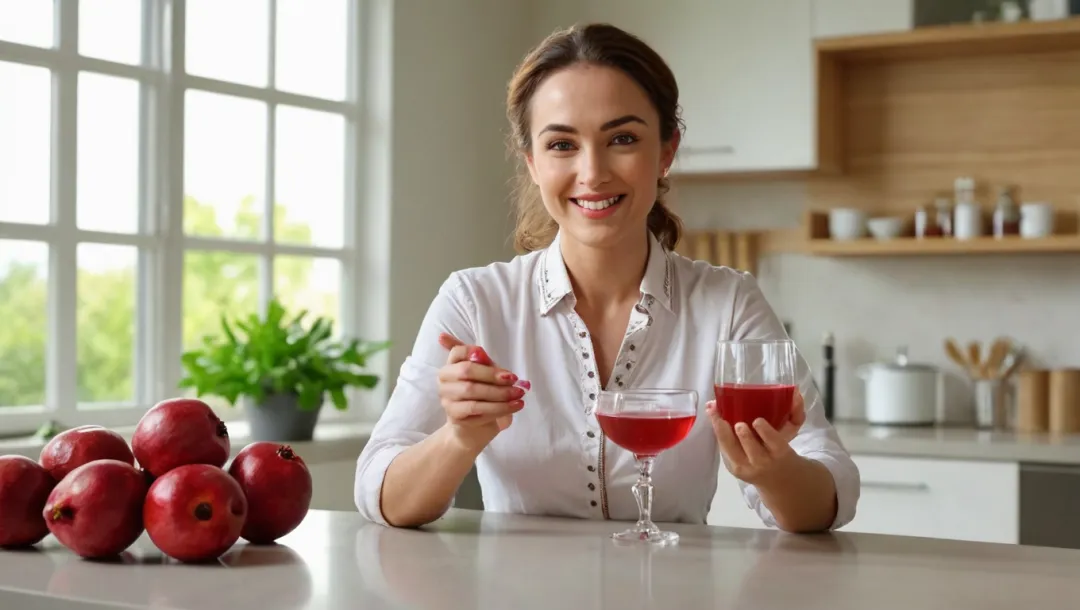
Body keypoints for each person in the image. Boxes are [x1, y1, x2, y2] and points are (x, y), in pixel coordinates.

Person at [354, 22, 860, 532]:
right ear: (531, 161)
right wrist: (459, 438)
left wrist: (775, 472)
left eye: (622, 138)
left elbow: (829, 492)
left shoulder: (728, 303)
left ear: (665, 151)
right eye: (561, 145)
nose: (592, 172)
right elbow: (381, 492)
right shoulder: (474, 301)